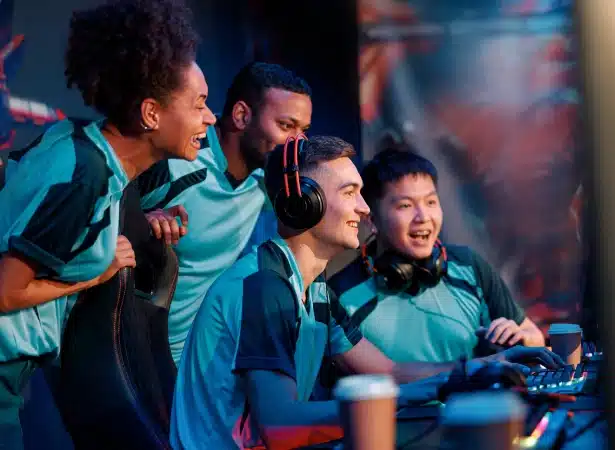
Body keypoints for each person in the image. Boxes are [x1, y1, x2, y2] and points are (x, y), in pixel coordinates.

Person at [170, 135, 564, 449]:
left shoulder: (312, 289)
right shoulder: (263, 288)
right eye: (349, 193)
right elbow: (279, 426)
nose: (363, 208)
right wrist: (390, 403)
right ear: (305, 203)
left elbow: (387, 372)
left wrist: (479, 368)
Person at [0, 0, 214, 446]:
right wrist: (93, 277)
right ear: (151, 114)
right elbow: (4, 292)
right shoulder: (88, 175)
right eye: (199, 106)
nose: (209, 118)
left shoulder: (85, 149)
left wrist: (135, 221)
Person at [136, 62, 312, 364]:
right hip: (123, 348)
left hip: (189, 357)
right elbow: (99, 223)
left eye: (304, 131)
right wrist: (140, 222)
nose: (298, 144)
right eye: (286, 126)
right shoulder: (176, 157)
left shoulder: (269, 178)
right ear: (242, 115)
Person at [328, 147, 545, 363]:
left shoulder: (469, 266)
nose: (423, 217)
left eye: (431, 202)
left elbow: (534, 337)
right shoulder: (341, 295)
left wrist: (522, 339)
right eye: (405, 205)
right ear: (371, 220)